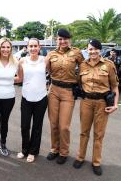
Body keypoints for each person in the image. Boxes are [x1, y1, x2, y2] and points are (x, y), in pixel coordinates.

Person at [73, 39, 119, 176]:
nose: (92, 52)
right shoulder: (82, 65)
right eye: (90, 49)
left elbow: (115, 86)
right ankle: (80, 157)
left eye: (95, 49)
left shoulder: (109, 65)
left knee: (99, 134)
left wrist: (115, 104)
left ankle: (96, 162)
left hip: (102, 103)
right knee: (84, 132)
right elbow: (78, 83)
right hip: (86, 101)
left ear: (100, 50)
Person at [46, 28, 84, 164]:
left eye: (65, 39)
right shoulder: (51, 54)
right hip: (54, 90)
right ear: (57, 40)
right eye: (60, 39)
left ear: (69, 40)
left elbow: (84, 69)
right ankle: (54, 149)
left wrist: (79, 84)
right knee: (53, 123)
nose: (62, 41)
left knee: (64, 126)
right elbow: (46, 70)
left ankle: (64, 151)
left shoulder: (77, 53)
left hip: (68, 92)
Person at [16, 38, 48, 163]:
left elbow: (53, 74)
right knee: (24, 126)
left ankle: (33, 151)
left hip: (41, 98)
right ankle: (24, 149)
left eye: (36, 46)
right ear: (27, 48)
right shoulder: (22, 61)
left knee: (37, 126)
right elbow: (19, 78)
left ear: (39, 47)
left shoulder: (45, 60)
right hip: (26, 98)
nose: (33, 48)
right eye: (31, 46)